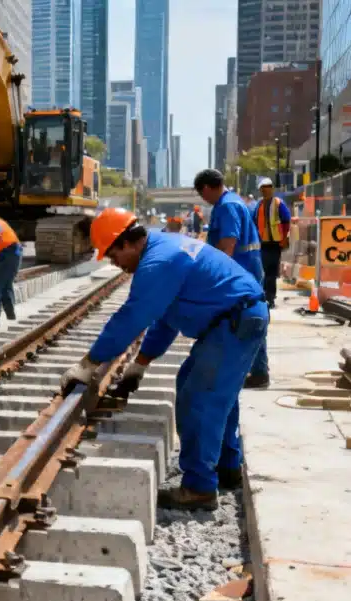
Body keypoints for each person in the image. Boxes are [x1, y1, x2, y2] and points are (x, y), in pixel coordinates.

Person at [60, 208, 268, 511]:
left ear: (127, 243)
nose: (114, 263)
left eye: (113, 255)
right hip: (235, 320)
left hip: (235, 322)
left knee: (200, 399)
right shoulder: (163, 248)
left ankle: (199, 489)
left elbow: (131, 318)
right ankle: (226, 467)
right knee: (210, 393)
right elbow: (166, 320)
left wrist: (87, 364)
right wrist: (140, 364)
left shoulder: (158, 262)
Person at [195, 169, 269, 389]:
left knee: (248, 319)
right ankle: (256, 370)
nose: (203, 199)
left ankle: (258, 371)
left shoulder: (227, 206)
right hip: (246, 269)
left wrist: (213, 273)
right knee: (250, 318)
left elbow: (228, 244)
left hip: (240, 271)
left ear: (207, 188)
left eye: (202, 194)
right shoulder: (230, 202)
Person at [254, 177, 291, 309]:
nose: (266, 191)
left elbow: (286, 220)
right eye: (263, 189)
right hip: (263, 243)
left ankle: (270, 297)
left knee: (271, 272)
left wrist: (285, 238)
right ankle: (265, 296)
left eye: (268, 188)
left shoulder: (278, 203)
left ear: (271, 189)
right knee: (265, 271)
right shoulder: (259, 205)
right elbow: (254, 223)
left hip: (275, 243)